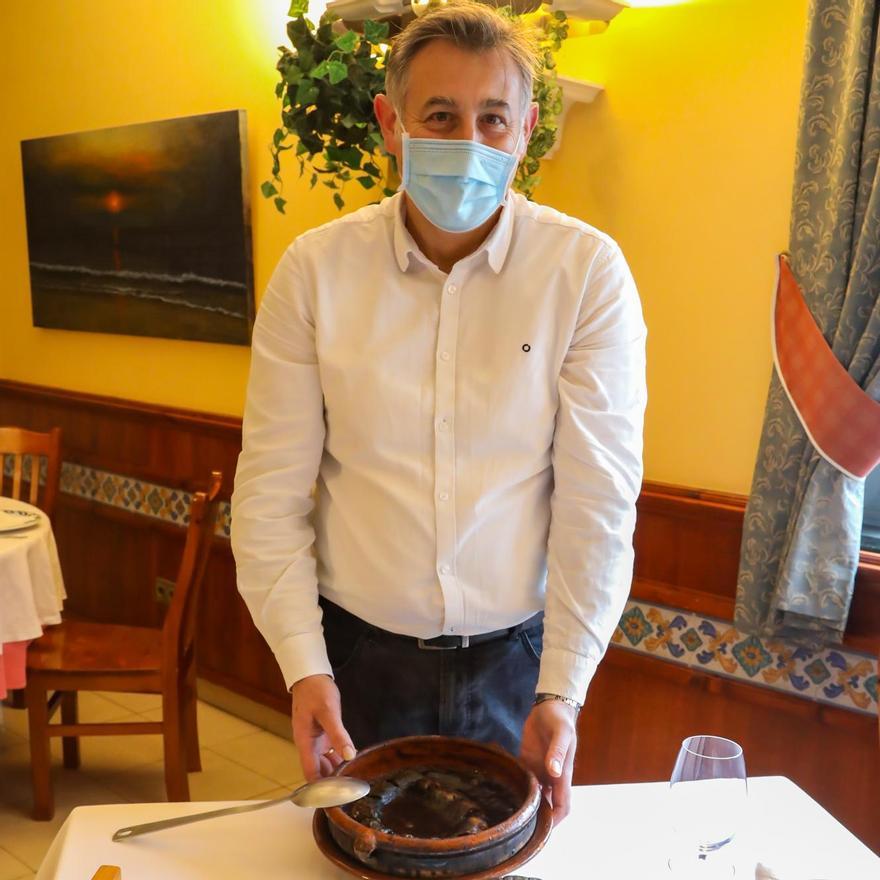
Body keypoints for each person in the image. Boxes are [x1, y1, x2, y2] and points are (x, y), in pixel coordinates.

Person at [231, 0, 646, 823]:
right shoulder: (314, 274)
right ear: (391, 124)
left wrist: (563, 687)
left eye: (492, 118)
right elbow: (270, 496)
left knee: (505, 864)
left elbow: (597, 503)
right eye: (440, 116)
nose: (468, 143)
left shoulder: (585, 272)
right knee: (361, 861)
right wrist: (304, 667)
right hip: (357, 658)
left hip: (518, 663)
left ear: (525, 130)